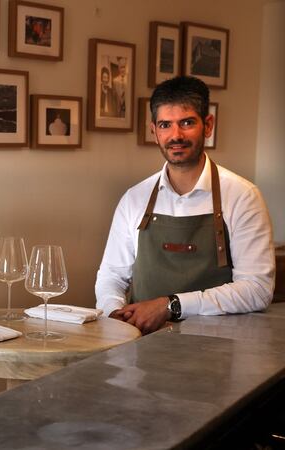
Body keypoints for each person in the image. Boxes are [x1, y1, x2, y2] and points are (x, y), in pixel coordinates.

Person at [95, 76, 275, 335]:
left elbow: (256, 289)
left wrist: (170, 305)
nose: (175, 135)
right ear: (154, 131)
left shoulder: (242, 196)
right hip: (142, 346)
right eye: (165, 125)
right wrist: (115, 313)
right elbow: (111, 276)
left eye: (187, 122)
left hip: (217, 349)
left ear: (208, 125)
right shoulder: (134, 199)